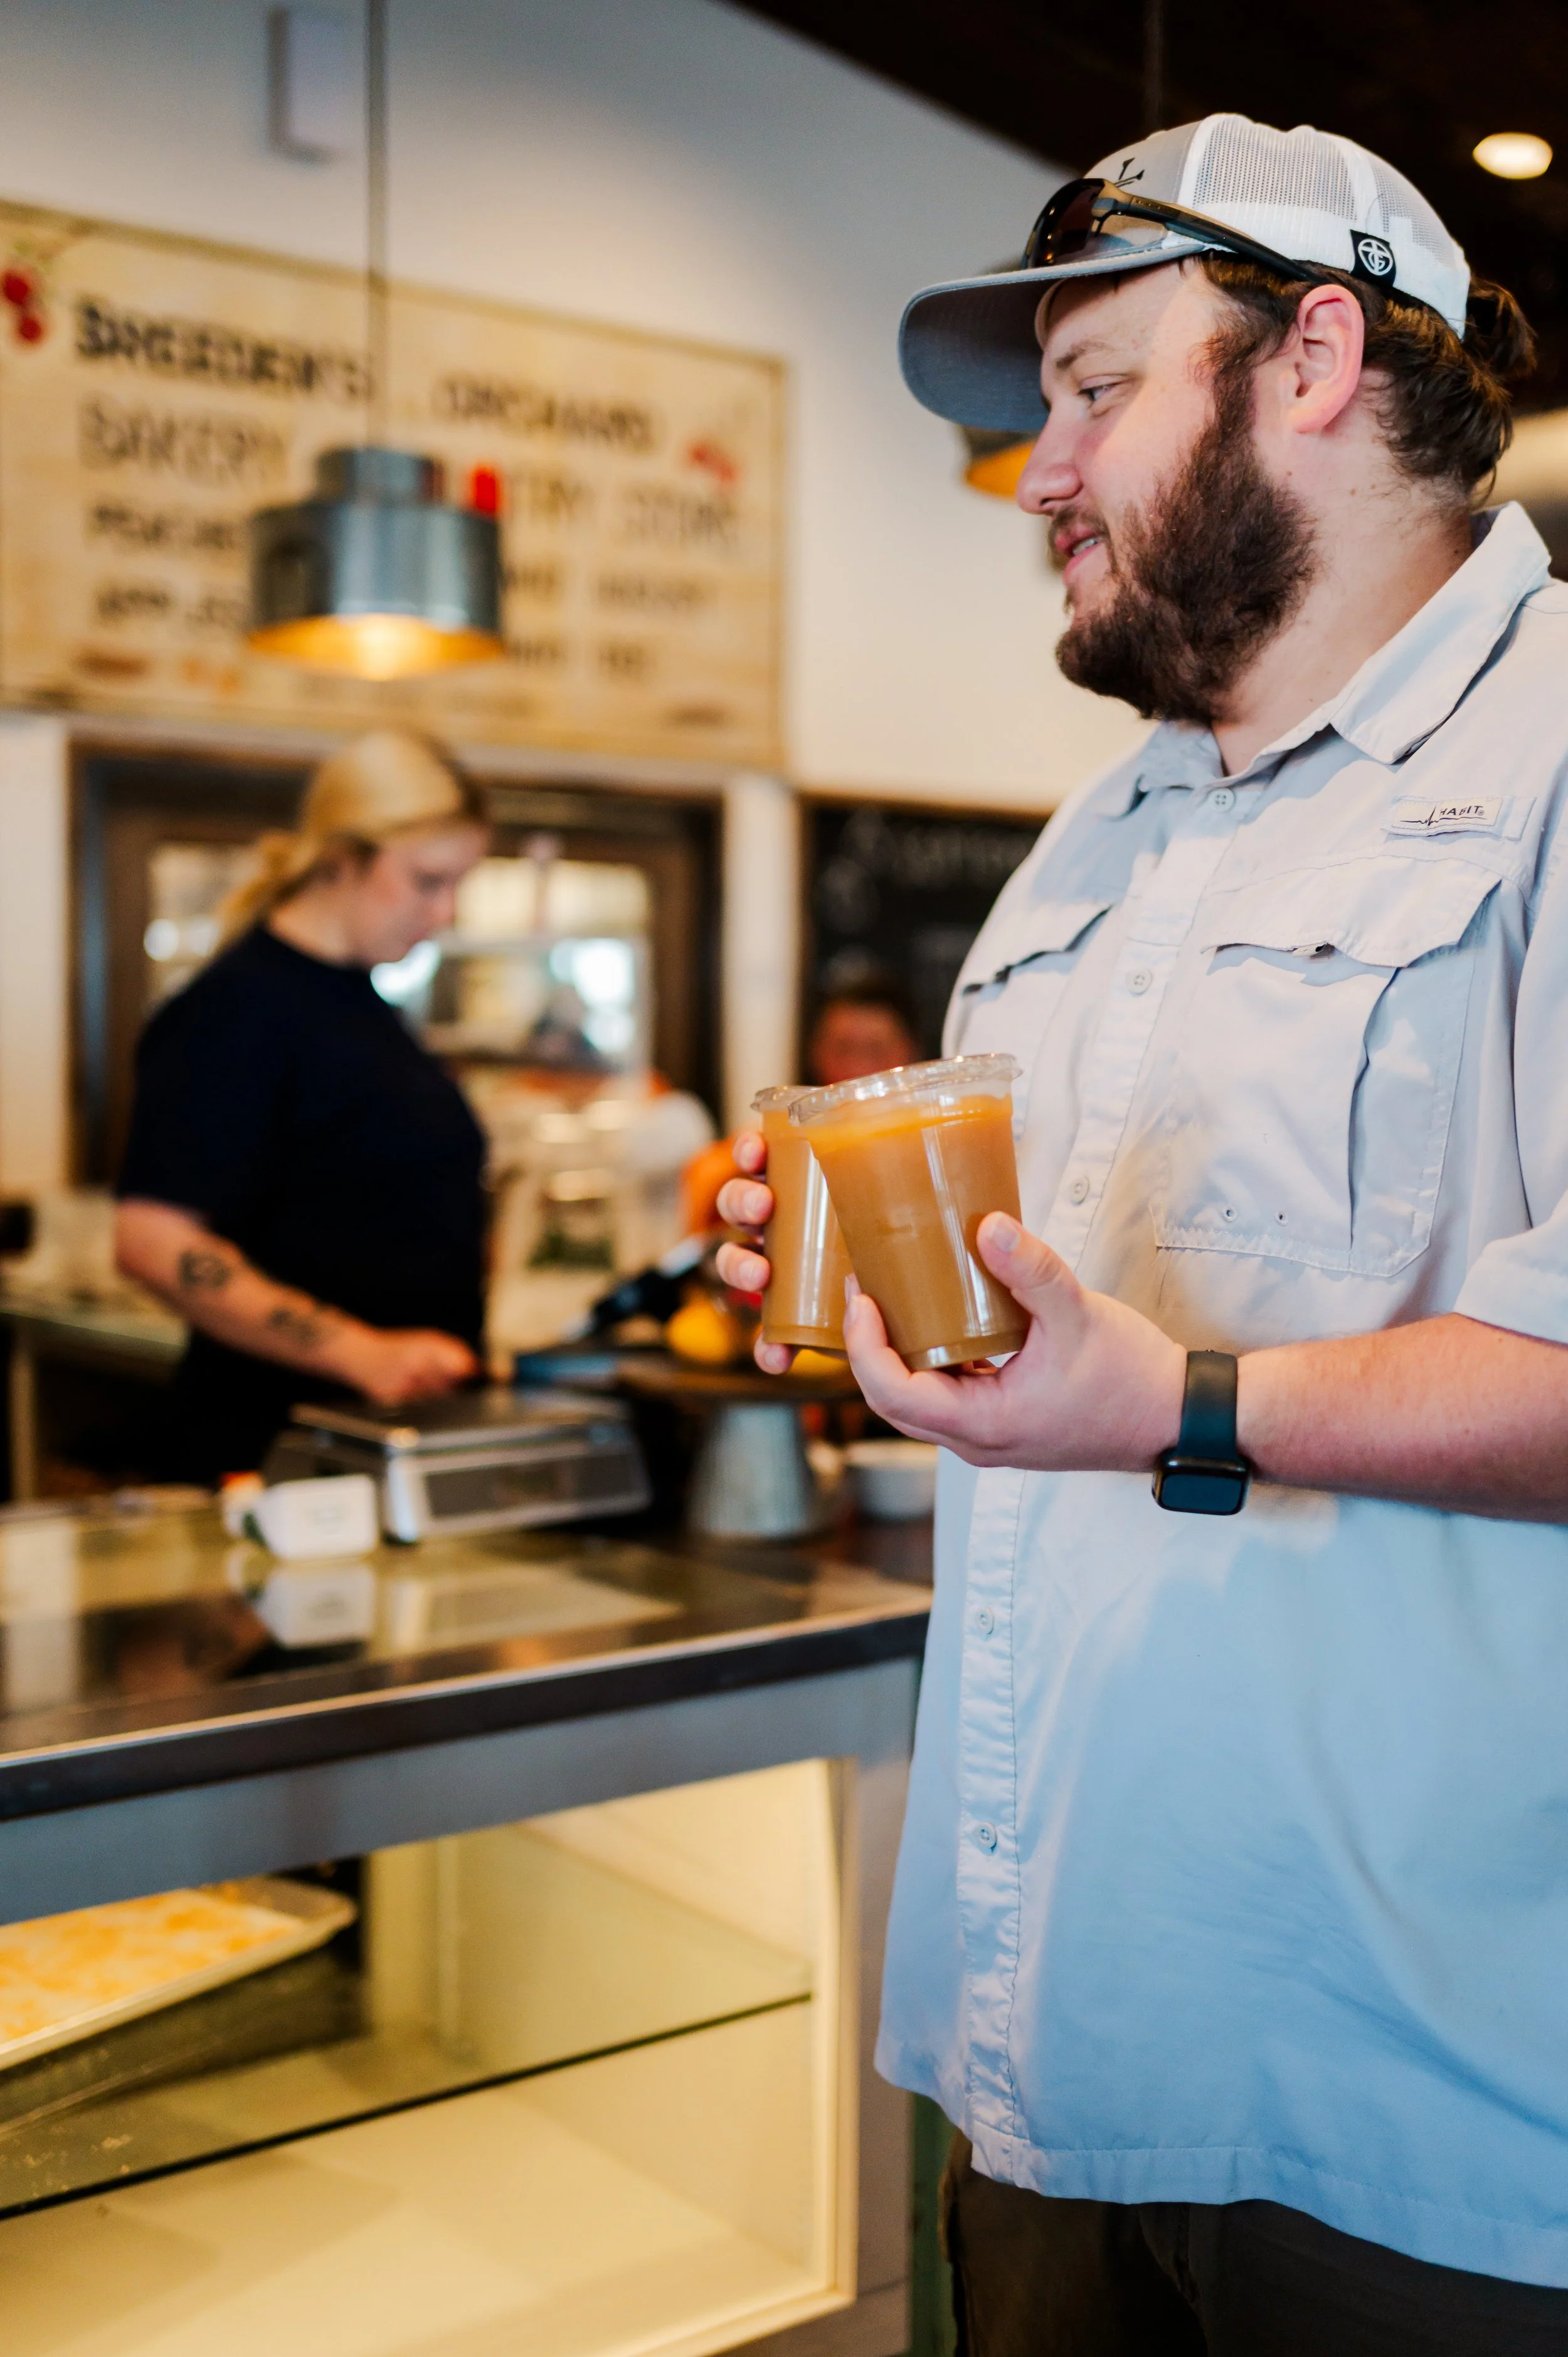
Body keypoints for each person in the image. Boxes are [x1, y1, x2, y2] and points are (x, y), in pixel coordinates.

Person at [718, 114, 1568, 2351]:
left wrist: (1178, 1399)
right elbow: (1036, 1313)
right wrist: (853, 1290)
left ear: (1309, 356)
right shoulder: (1092, 840)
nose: (1035, 474)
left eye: (1095, 387)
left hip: (1432, 2121)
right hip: (1048, 2038)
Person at [116, 729, 490, 1482]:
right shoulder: (237, 1010)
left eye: (458, 885)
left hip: (386, 1440)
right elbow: (151, 1241)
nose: (445, 912)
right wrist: (363, 1352)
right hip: (277, 1454)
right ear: (341, 859)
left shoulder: (363, 1004)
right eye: (426, 880)